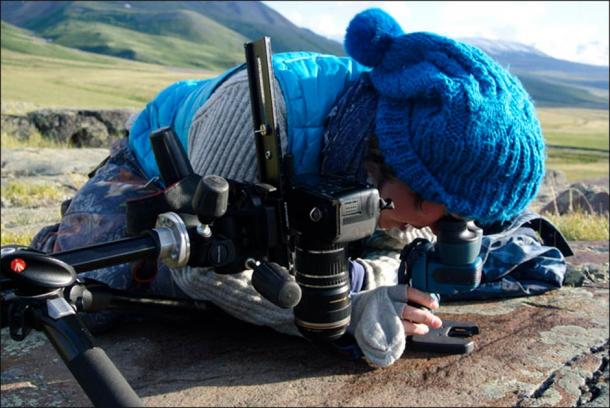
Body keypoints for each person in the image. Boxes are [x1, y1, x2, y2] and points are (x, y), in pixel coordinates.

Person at [30, 8, 567, 368]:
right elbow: (206, 271)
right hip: (166, 176)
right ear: (388, 153)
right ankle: (72, 221)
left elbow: (387, 252)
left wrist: (367, 278)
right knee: (95, 281)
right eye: (429, 205)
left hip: (307, 190)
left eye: (455, 220)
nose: (429, 226)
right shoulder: (256, 114)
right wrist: (343, 307)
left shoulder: (395, 171)